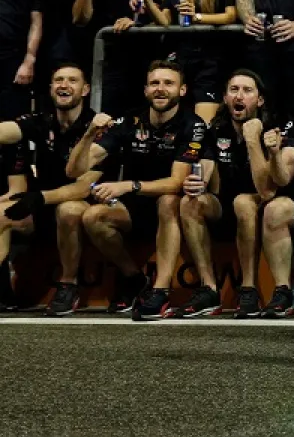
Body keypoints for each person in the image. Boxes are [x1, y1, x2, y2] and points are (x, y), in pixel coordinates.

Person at [67, 61, 204, 320]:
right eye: (154, 83)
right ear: (145, 90)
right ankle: (133, 278)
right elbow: (74, 171)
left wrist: (128, 185)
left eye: (168, 83)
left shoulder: (193, 124)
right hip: (134, 206)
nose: (160, 89)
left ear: (182, 90)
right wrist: (88, 134)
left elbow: (176, 182)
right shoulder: (128, 121)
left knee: (167, 200)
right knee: (92, 217)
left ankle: (161, 290)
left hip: (172, 208)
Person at [176, 70, 294, 319]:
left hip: (269, 204)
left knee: (244, 202)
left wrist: (253, 141)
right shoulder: (216, 129)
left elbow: (266, 190)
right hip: (226, 205)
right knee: (189, 203)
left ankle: (249, 289)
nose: (239, 96)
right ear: (224, 97)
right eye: (233, 90)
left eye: (247, 90)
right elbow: (206, 168)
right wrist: (196, 184)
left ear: (260, 100)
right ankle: (209, 289)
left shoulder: (275, 128)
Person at [0, 66, 104, 313]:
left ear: (85, 89)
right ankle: (3, 292)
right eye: (58, 80)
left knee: (68, 210)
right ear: (50, 88)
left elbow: (82, 188)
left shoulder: (98, 127)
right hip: (40, 207)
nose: (64, 84)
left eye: (72, 80)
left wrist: (40, 198)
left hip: (86, 208)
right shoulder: (40, 120)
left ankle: (68, 285)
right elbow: (6, 131)